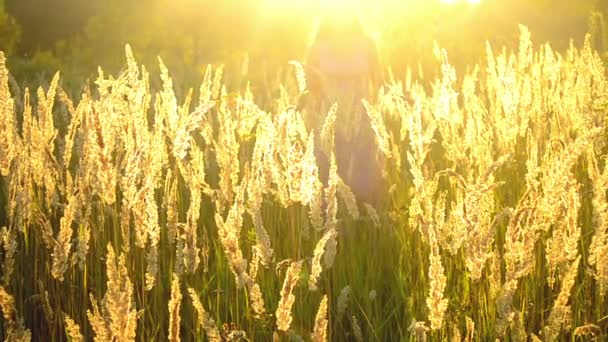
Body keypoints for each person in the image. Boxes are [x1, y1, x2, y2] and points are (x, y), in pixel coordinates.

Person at [304, 13, 384, 206]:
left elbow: (379, 82)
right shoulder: (317, 47)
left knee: (362, 186)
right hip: (328, 122)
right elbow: (309, 85)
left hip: (361, 122)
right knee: (328, 185)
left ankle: (361, 225)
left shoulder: (367, 44)